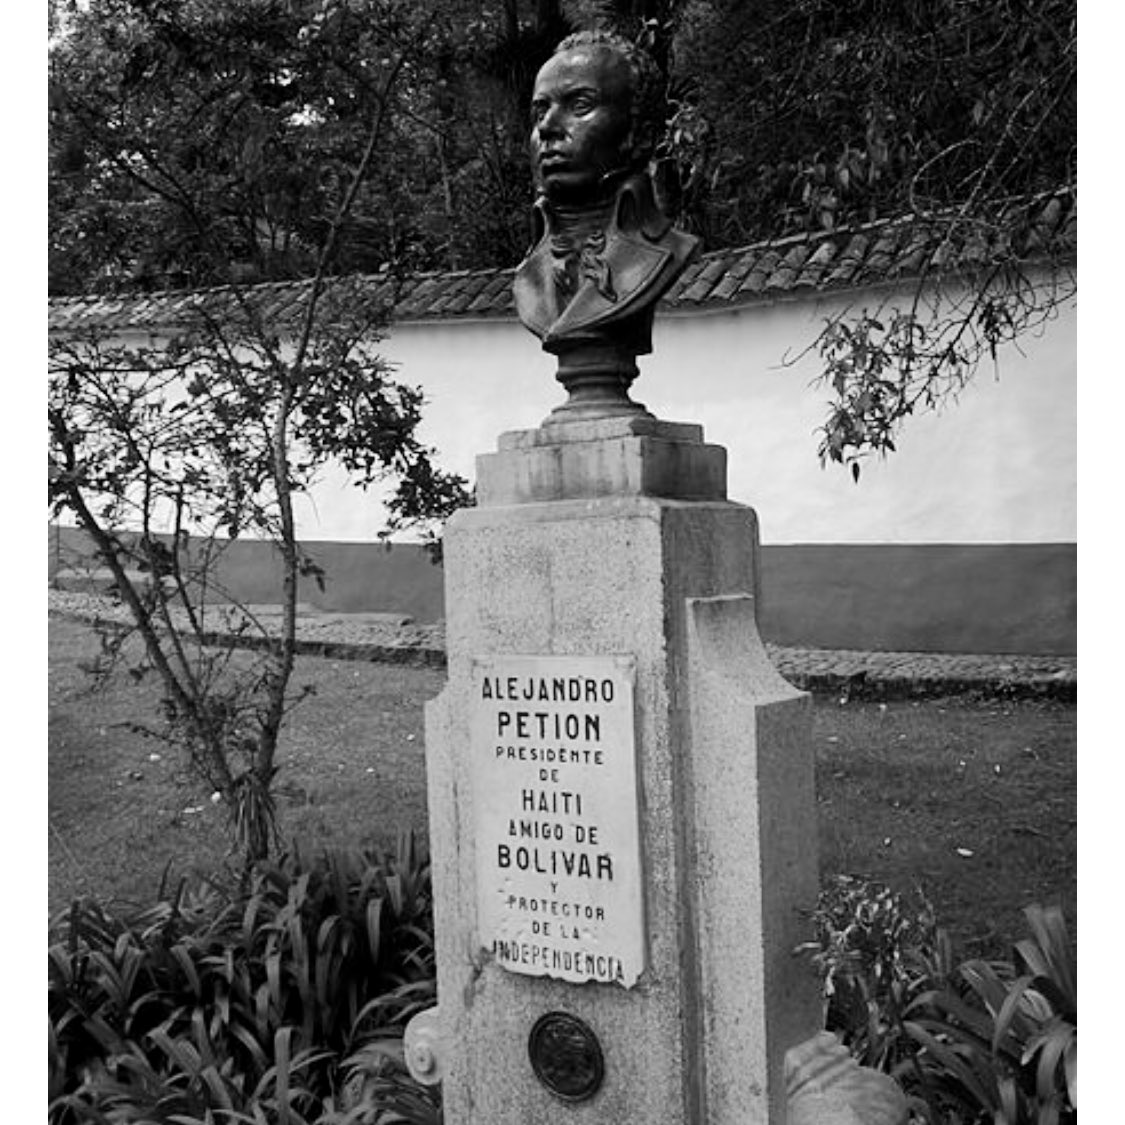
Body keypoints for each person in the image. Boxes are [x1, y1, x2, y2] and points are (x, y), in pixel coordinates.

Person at [513, 31, 699, 414]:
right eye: (539, 111)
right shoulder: (528, 275)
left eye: (579, 105)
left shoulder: (668, 251)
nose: (548, 127)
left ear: (641, 134)